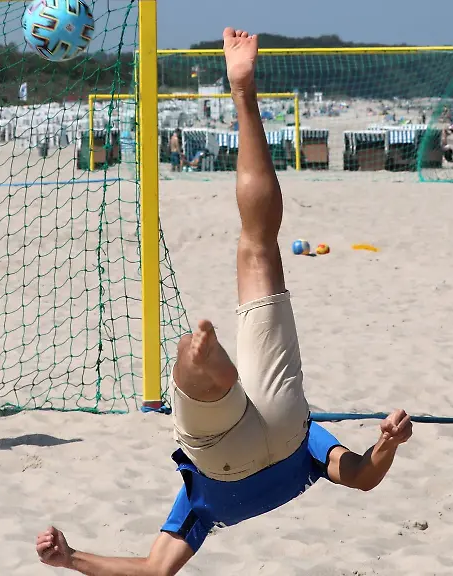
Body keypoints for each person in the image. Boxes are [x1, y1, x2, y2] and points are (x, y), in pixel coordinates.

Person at [34, 29, 414, 575]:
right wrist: (69, 559)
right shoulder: (199, 504)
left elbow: (152, 571)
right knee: (211, 323)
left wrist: (72, 557)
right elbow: (361, 476)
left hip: (283, 431)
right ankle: (202, 353)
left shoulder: (201, 509)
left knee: (260, 249)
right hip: (249, 450)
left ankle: (243, 91)